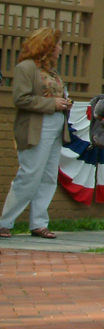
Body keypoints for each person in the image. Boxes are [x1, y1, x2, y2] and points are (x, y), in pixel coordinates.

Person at [2, 28, 71, 239]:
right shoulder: (25, 68)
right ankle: (4, 222)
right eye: (58, 44)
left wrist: (65, 102)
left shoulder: (52, 72)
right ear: (47, 46)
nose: (60, 49)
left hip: (56, 125)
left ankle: (39, 223)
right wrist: (52, 103)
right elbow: (21, 99)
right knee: (29, 174)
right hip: (36, 126)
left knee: (49, 176)